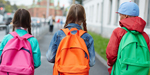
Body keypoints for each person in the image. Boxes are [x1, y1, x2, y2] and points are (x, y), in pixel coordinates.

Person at [46, 4, 95, 75]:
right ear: (83, 19)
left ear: (68, 17)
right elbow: (92, 62)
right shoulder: (88, 37)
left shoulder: (58, 34)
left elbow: (50, 58)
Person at [106, 2, 150, 75]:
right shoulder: (145, 36)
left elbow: (111, 55)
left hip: (121, 71)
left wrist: (111, 65)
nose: (119, 18)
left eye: (120, 15)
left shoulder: (118, 32)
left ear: (125, 16)